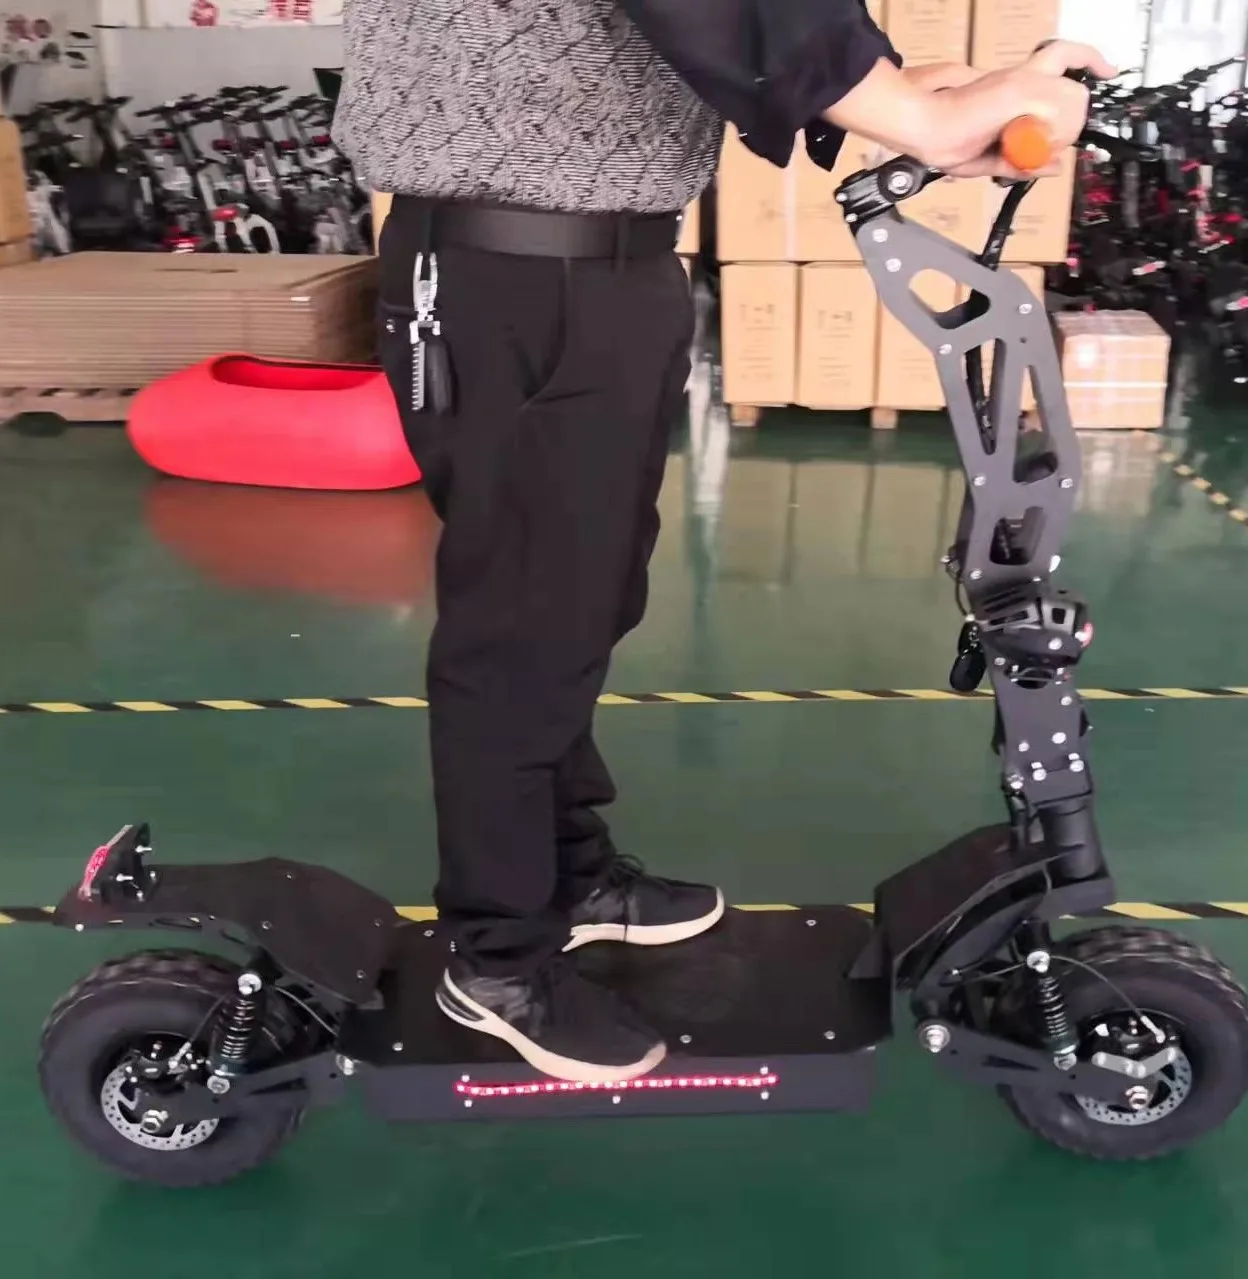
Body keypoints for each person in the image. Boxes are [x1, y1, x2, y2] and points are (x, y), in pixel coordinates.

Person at [334, 1, 1115, 1085]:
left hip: (601, 265)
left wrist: (908, 90)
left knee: (588, 597)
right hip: (515, 272)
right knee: (523, 623)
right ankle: (498, 955)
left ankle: (568, 869)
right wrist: (916, 116)